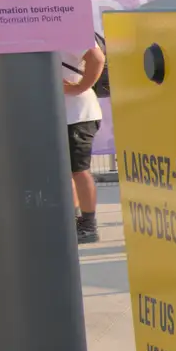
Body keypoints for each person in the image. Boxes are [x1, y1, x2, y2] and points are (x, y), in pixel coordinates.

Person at [61, 41, 106, 244]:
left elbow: (97, 58)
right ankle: (73, 222)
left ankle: (89, 225)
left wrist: (80, 86)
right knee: (67, 171)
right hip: (61, 114)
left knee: (79, 170)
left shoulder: (68, 27)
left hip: (78, 114)